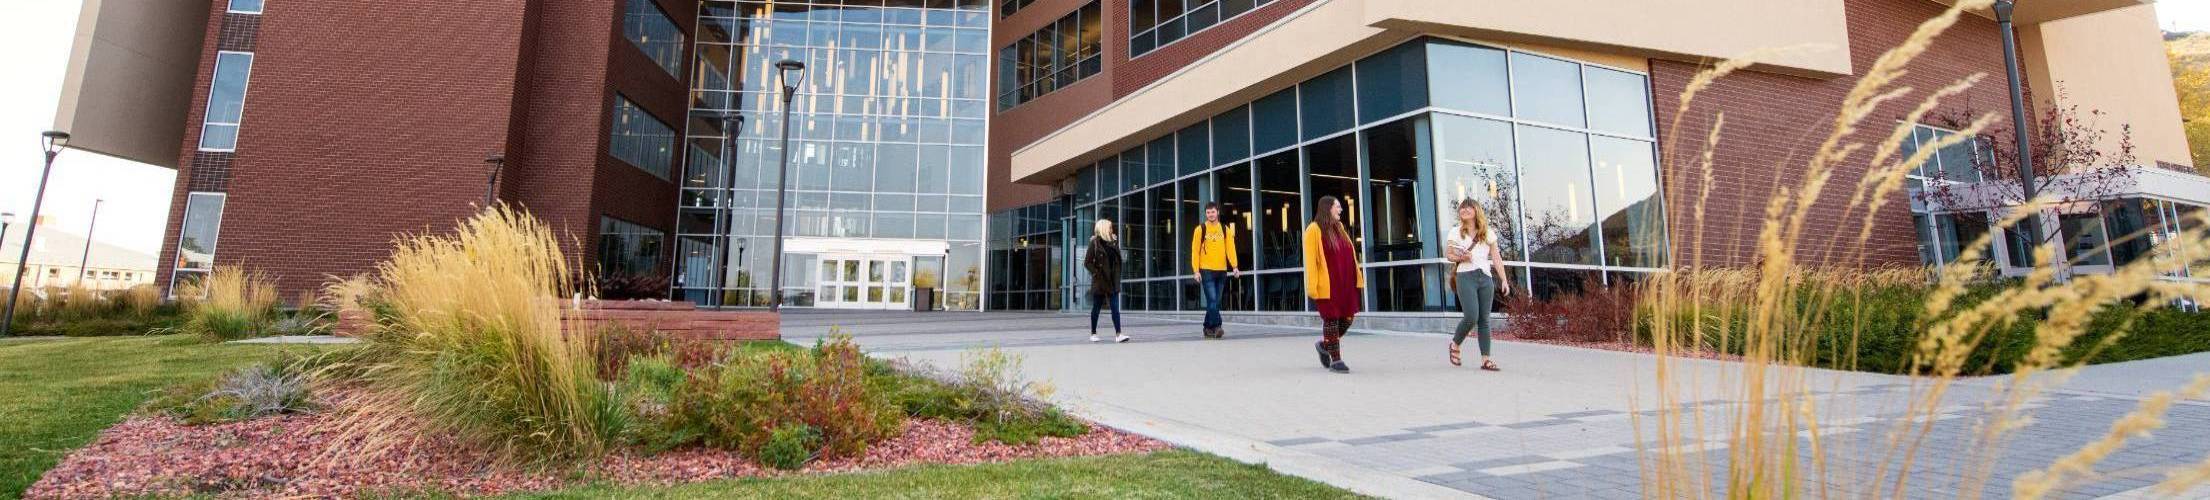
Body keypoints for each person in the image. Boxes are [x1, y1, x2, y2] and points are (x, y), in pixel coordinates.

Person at [1444, 198, 1510, 371]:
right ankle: (1455, 344)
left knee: (1484, 320)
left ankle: (1486, 359)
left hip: (1485, 278)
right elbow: (1449, 255)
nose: (1465, 210)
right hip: (1465, 276)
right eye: (1462, 208)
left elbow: (1496, 258)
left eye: (1469, 207)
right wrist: (1461, 257)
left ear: (1476, 210)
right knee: (1471, 316)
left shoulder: (1488, 233)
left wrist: (1503, 279)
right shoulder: (1455, 232)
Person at [1302, 196, 1364, 373]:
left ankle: (1324, 344)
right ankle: (1336, 360)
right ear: (1328, 208)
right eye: (1337, 206)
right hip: (1327, 284)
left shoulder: (1340, 227)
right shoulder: (1313, 229)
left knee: (1348, 318)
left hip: (1345, 283)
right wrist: (1312, 286)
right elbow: (1311, 261)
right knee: (1331, 319)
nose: (1340, 209)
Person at [1189, 202, 1240, 339]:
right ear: (1206, 214)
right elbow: (1195, 251)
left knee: (1215, 302)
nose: (1210, 214)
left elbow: (1230, 248)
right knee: (1212, 299)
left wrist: (1234, 266)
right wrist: (1196, 270)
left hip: (1221, 270)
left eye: (1213, 212)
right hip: (1206, 270)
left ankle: (1207, 327)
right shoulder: (1200, 229)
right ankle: (1218, 326)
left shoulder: (1225, 229)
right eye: (1208, 212)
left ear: (1218, 212)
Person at [1084, 219, 1130, 343]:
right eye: (1110, 228)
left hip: (1112, 281)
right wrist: (1096, 273)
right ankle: (1093, 333)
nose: (1112, 230)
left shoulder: (1112, 243)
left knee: (1115, 308)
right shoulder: (1094, 244)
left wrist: (1114, 242)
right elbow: (1087, 262)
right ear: (1104, 229)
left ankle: (1118, 334)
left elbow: (1119, 259)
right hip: (1100, 281)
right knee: (1096, 308)